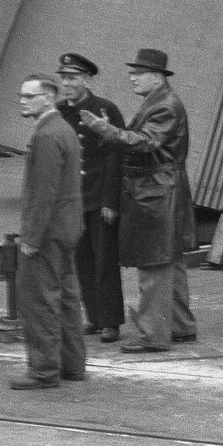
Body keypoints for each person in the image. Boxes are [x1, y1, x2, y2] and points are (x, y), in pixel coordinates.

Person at [80, 48, 197, 353]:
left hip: (155, 192)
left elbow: (146, 142)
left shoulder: (164, 106)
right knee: (169, 262)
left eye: (137, 73)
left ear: (156, 77)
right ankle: (180, 326)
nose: (131, 77)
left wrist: (107, 130)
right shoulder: (160, 102)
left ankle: (153, 335)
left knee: (153, 264)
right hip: (161, 189)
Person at [11, 73, 86, 389]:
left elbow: (43, 194)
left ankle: (43, 370)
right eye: (22, 96)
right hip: (68, 228)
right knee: (67, 297)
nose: (22, 101)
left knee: (39, 299)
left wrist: (31, 239)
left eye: (29, 96)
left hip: (49, 231)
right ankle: (72, 365)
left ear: (48, 97)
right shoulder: (64, 129)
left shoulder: (45, 135)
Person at [54, 52, 126, 343]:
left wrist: (111, 201)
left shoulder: (105, 110)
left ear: (87, 79)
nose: (66, 84)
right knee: (82, 260)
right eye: (63, 78)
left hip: (99, 198)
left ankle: (111, 321)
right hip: (74, 199)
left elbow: (115, 157)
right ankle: (95, 317)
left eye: (72, 78)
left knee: (104, 260)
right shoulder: (60, 112)